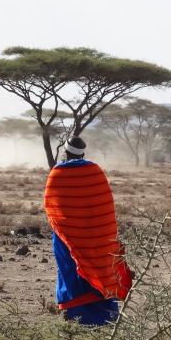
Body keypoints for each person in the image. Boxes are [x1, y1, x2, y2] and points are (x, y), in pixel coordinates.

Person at [44, 136, 132, 326]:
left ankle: (77, 317)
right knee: (100, 269)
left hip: (69, 237)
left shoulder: (57, 173)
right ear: (83, 153)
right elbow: (104, 207)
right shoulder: (95, 171)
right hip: (97, 237)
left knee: (71, 270)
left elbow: (51, 207)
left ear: (64, 153)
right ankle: (106, 318)